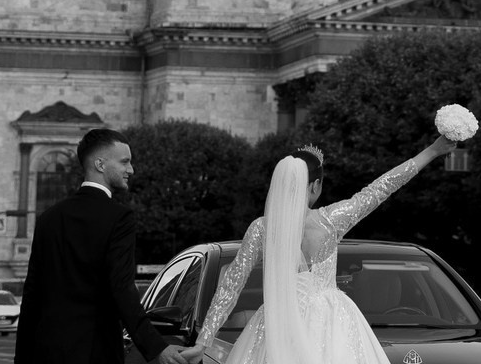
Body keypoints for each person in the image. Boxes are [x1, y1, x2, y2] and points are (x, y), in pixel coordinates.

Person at [184, 132, 457, 364]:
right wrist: (433, 150)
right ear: (315, 185)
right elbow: (380, 189)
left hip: (277, 326)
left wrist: (203, 341)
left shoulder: (261, 229)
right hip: (331, 323)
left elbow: (231, 285)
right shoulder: (330, 221)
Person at [15, 128, 185, 364]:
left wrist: (21, 358)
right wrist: (157, 347)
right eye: (125, 162)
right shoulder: (119, 218)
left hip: (46, 353)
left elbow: (32, 295)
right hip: (95, 353)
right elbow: (122, 289)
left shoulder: (48, 218)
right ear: (100, 164)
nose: (131, 170)